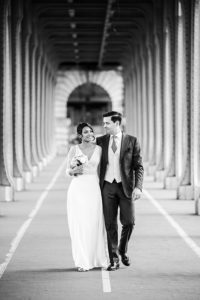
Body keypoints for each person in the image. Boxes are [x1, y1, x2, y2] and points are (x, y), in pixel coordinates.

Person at [96, 111, 144, 271]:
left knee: (129, 222)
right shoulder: (100, 141)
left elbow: (139, 167)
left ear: (117, 123)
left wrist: (138, 187)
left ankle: (122, 249)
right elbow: (89, 156)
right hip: (107, 186)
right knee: (110, 224)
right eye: (104, 123)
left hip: (126, 187)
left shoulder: (132, 140)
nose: (104, 126)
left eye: (107, 123)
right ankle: (114, 259)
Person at [66, 122, 109, 272]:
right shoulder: (74, 149)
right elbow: (67, 171)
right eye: (85, 132)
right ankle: (82, 261)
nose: (90, 134)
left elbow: (105, 169)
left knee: (94, 224)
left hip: (93, 189)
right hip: (77, 189)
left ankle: (97, 258)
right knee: (80, 225)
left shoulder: (99, 150)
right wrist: (75, 169)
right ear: (79, 135)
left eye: (91, 131)